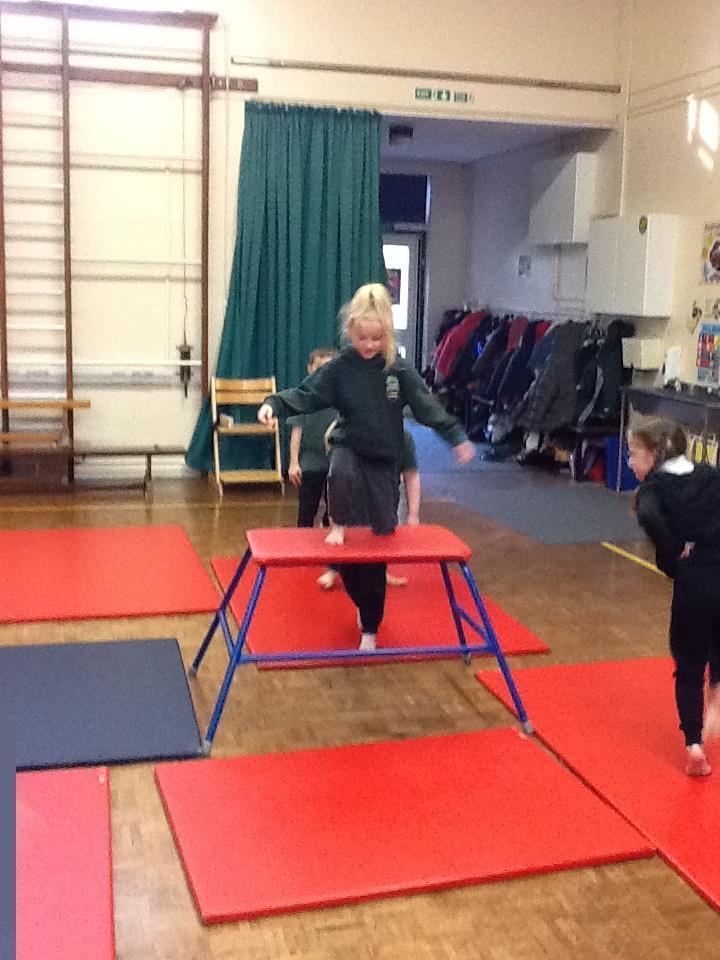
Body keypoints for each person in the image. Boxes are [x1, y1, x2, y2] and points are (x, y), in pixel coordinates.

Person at [258, 282, 474, 651]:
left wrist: (455, 437)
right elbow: (308, 393)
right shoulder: (342, 367)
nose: (369, 345)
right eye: (362, 338)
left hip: (383, 464)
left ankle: (369, 625)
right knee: (339, 475)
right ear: (350, 330)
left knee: (376, 550)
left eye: (377, 338)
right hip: (349, 448)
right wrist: (273, 404)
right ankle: (338, 522)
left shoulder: (397, 370)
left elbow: (427, 407)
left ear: (387, 332)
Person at [628, 415, 720, 777]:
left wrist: (672, 556)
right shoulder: (710, 474)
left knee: (689, 662)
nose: (630, 463)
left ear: (654, 455)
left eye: (634, 455)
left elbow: (651, 517)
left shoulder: (654, 490)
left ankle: (694, 745)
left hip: (693, 582)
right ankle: (717, 690)